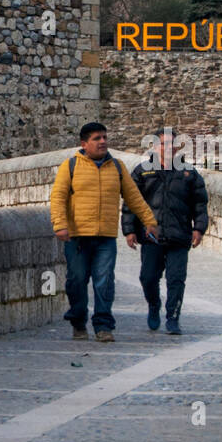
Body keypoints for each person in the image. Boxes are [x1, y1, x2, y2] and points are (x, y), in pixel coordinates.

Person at [51, 122, 158, 343]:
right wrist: (60, 225)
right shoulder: (70, 166)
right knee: (77, 281)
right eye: (97, 138)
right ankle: (78, 321)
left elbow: (134, 197)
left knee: (104, 281)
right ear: (84, 144)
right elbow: (58, 197)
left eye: (104, 137)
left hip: (105, 237)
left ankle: (103, 326)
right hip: (78, 236)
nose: (103, 142)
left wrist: (149, 220)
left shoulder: (117, 167)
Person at [122, 127, 209, 336]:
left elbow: (200, 204)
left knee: (176, 279)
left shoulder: (189, 173)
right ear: (154, 146)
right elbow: (131, 203)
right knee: (148, 278)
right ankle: (154, 305)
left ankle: (173, 317)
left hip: (179, 235)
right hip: (152, 235)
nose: (166, 148)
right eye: (162, 144)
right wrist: (129, 230)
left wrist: (199, 229)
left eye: (171, 144)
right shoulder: (142, 172)